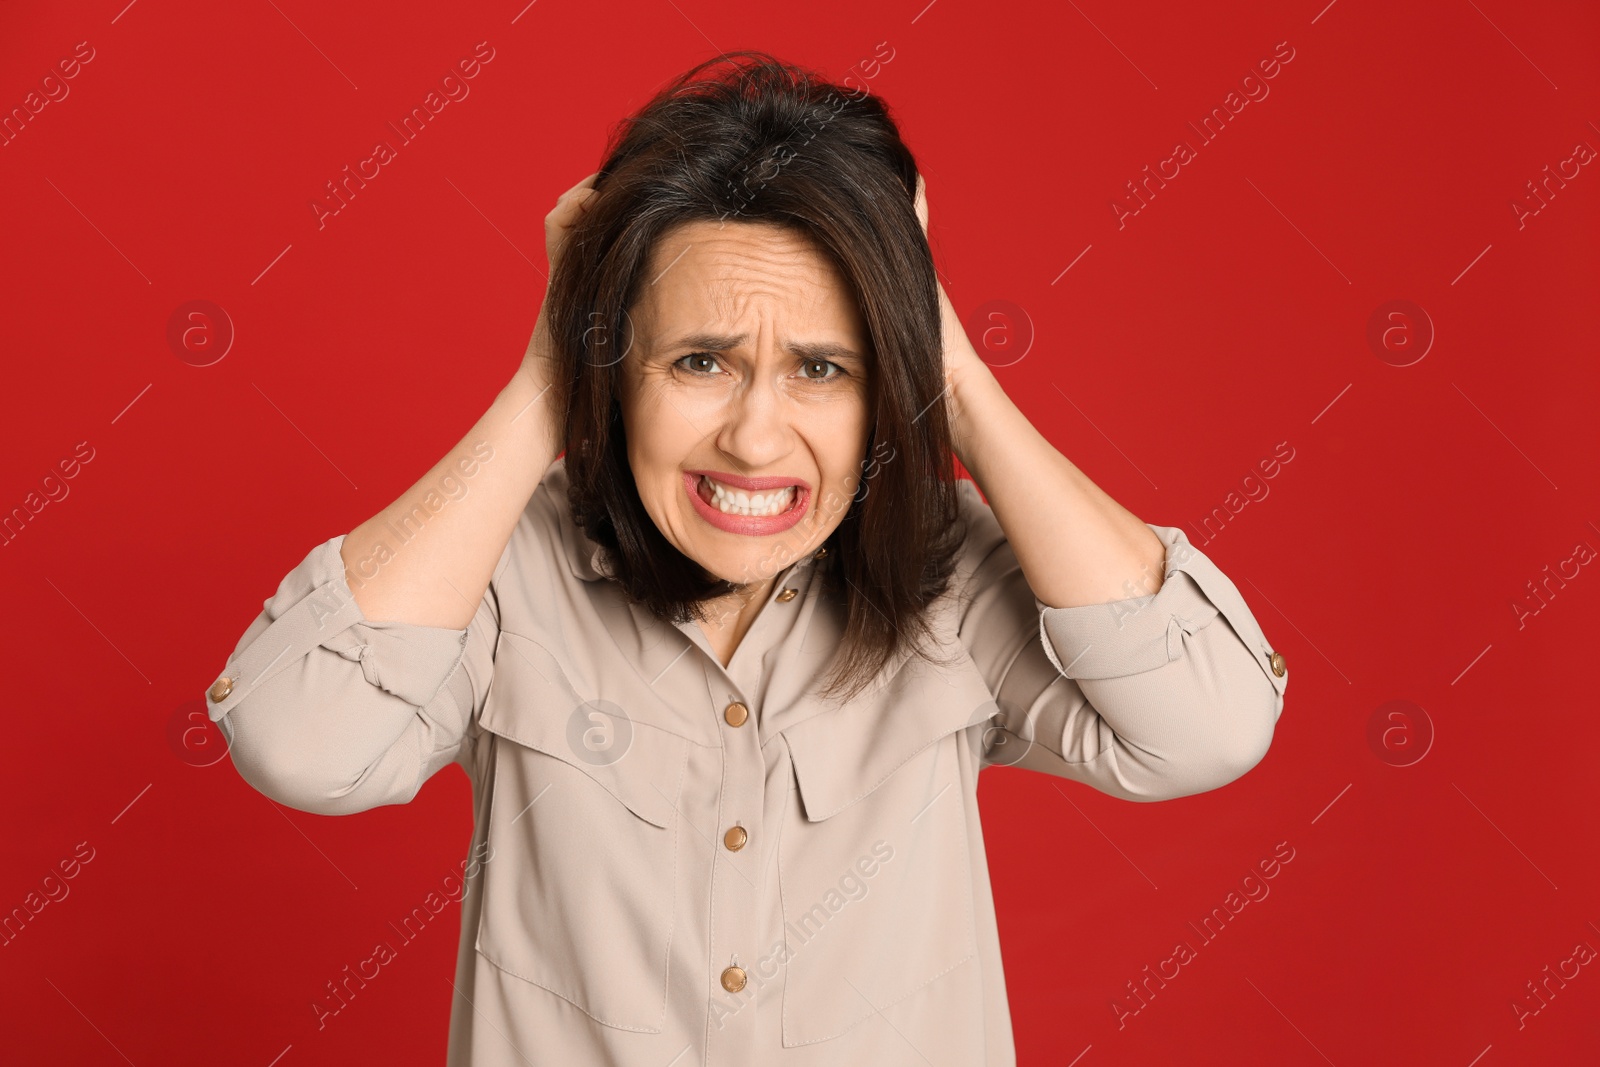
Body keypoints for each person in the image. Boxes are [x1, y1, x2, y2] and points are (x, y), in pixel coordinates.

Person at [204, 51, 1289, 1067]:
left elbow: (1209, 722)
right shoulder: (506, 570)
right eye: (699, 360)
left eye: (823, 366)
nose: (756, 438)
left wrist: (941, 358)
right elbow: (301, 741)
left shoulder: (950, 570)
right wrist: (554, 364)